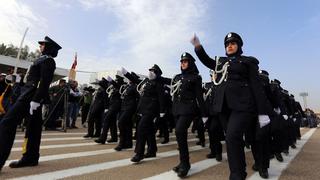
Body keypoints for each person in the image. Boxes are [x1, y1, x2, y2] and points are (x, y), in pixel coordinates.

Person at [191, 32, 273, 180]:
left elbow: (256, 87)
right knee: (233, 140)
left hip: (243, 107)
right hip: (224, 109)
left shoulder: (248, 62)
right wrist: (198, 47)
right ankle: (238, 172)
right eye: (227, 44)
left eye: (233, 43)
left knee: (242, 137)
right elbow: (207, 61)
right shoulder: (221, 62)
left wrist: (263, 112)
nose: (229, 46)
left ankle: (246, 171)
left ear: (239, 46)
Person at [0, 36, 61, 171]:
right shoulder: (40, 60)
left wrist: (36, 99)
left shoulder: (48, 61)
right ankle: (30, 157)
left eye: (43, 45)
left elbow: (44, 82)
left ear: (49, 48)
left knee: (6, 123)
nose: (40, 46)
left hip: (30, 97)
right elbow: (32, 79)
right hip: (28, 94)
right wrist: (17, 79)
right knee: (33, 128)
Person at [171, 52, 207, 178]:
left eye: (185, 61)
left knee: (180, 131)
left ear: (190, 63)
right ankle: (183, 162)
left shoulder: (196, 77)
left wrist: (204, 114)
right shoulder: (177, 77)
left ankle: (185, 164)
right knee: (180, 135)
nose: (183, 63)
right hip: (177, 110)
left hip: (188, 109)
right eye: (181, 61)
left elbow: (199, 97)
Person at [130, 64, 165, 163]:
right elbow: (136, 81)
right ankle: (152, 150)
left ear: (157, 73)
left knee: (141, 129)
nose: (150, 72)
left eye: (153, 71)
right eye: (150, 70)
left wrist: (162, 112)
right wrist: (127, 74)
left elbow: (161, 98)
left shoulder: (158, 84)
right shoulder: (147, 82)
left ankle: (139, 154)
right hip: (143, 109)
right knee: (149, 131)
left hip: (151, 110)